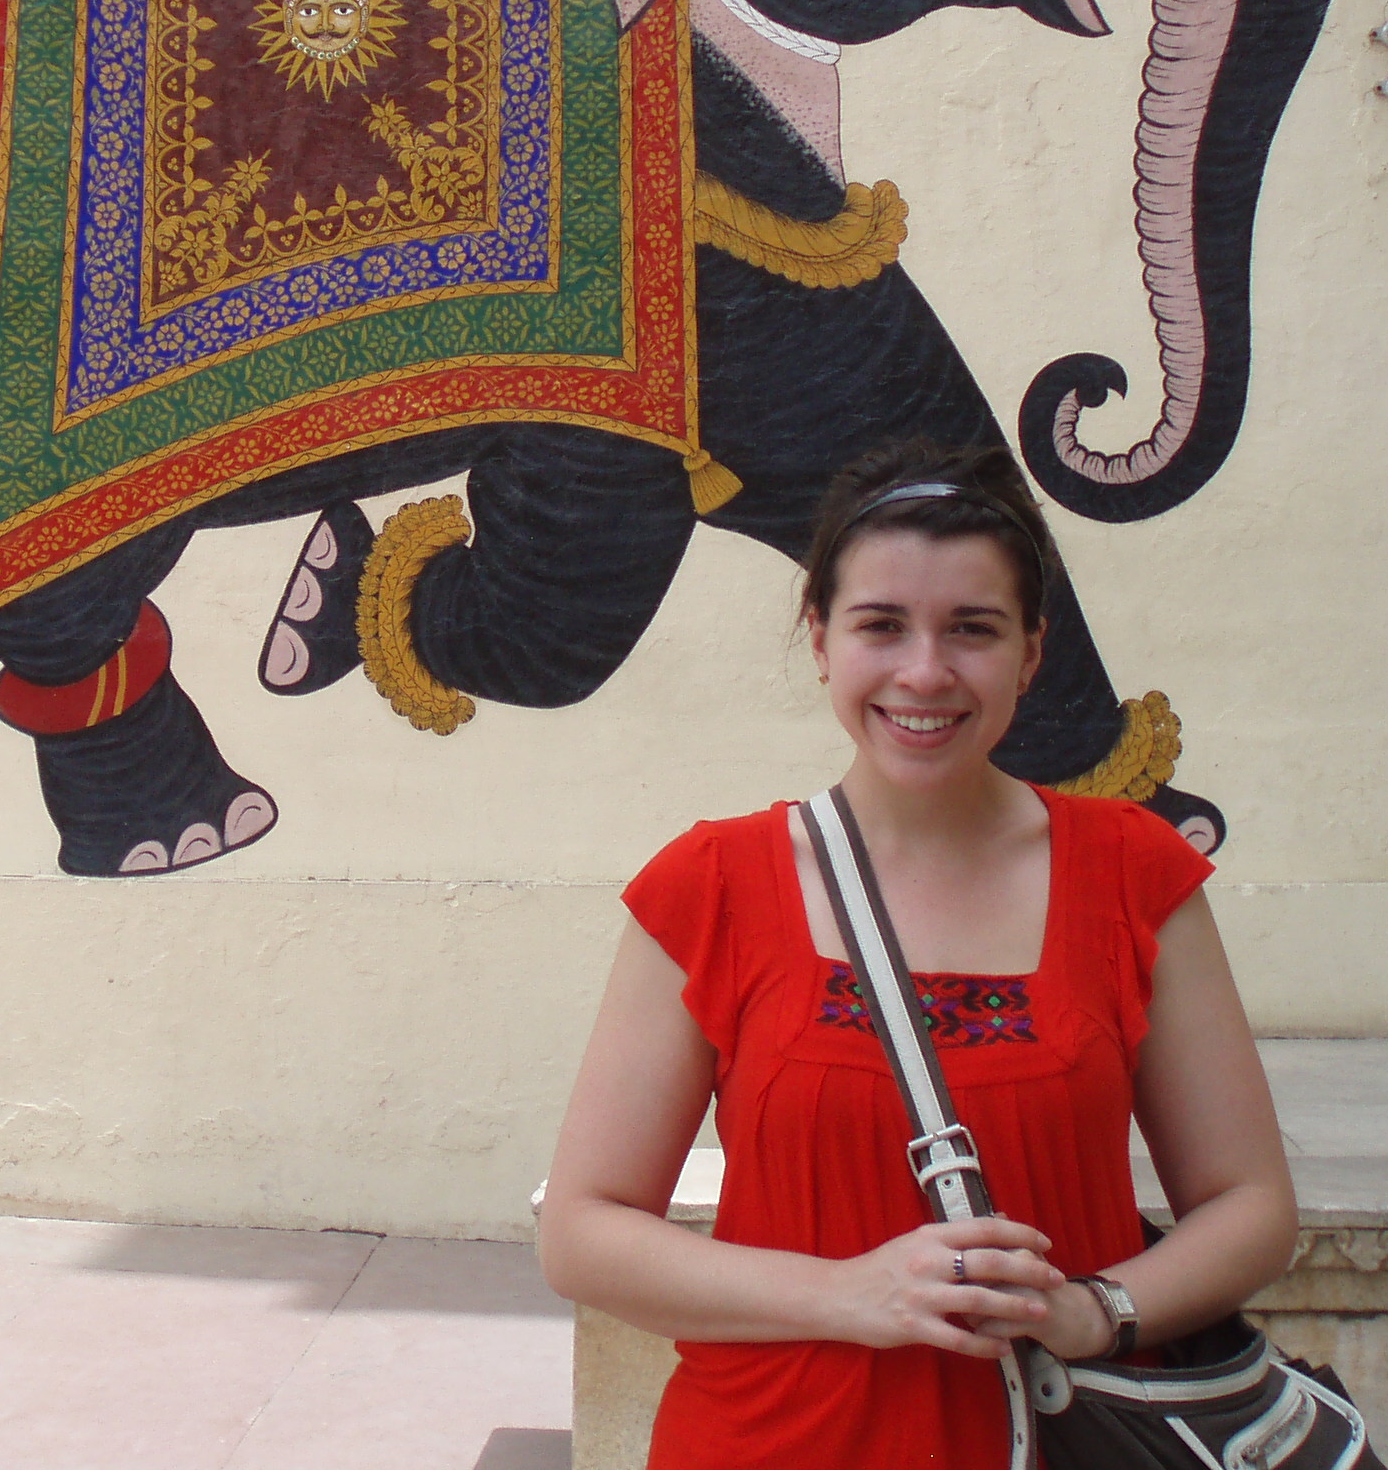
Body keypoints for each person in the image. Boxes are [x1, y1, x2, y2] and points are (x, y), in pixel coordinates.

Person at [535, 438, 1300, 1467]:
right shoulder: (711, 886)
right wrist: (851, 1294)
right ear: (820, 638)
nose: (925, 671)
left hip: (1055, 1437)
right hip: (773, 1441)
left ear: (1031, 651)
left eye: (973, 629)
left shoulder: (1133, 874)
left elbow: (1251, 1206)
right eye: (881, 625)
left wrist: (1097, 1309)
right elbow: (582, 1232)